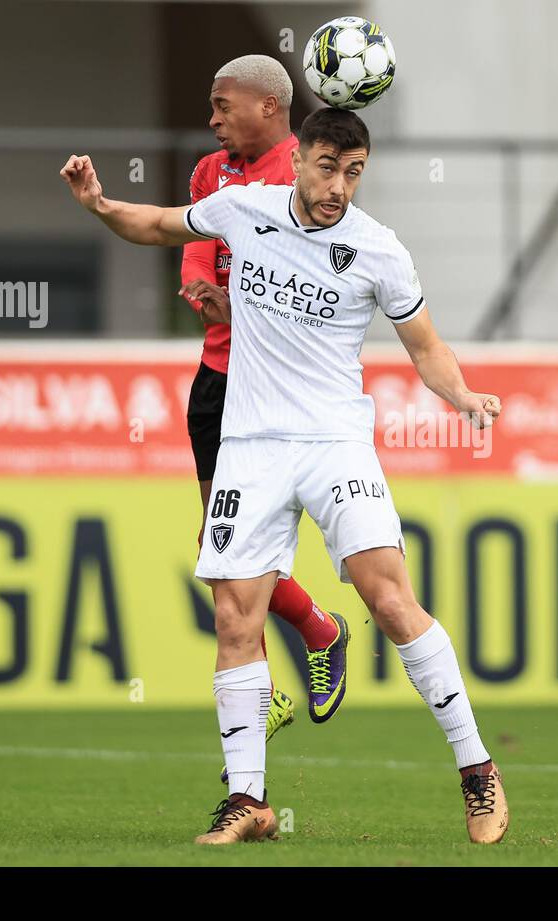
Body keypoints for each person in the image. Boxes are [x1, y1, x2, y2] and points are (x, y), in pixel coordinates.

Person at [61, 107, 510, 846]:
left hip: (336, 443)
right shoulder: (243, 208)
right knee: (236, 617)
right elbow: (158, 226)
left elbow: (425, 347)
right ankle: (249, 801)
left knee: (390, 600)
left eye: (355, 172)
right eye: (329, 167)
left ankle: (476, 768)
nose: (339, 187)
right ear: (297, 158)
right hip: (251, 445)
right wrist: (102, 205)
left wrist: (461, 394)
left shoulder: (378, 249)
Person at [178, 57, 353, 788]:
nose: (214, 120)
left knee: (237, 561)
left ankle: (292, 667)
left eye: (223, 107)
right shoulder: (209, 173)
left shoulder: (303, 175)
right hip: (218, 383)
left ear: (267, 107)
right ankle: (316, 633)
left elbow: (317, 276)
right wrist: (199, 286)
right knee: (220, 554)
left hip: (280, 395)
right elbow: (193, 248)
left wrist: (249, 306)